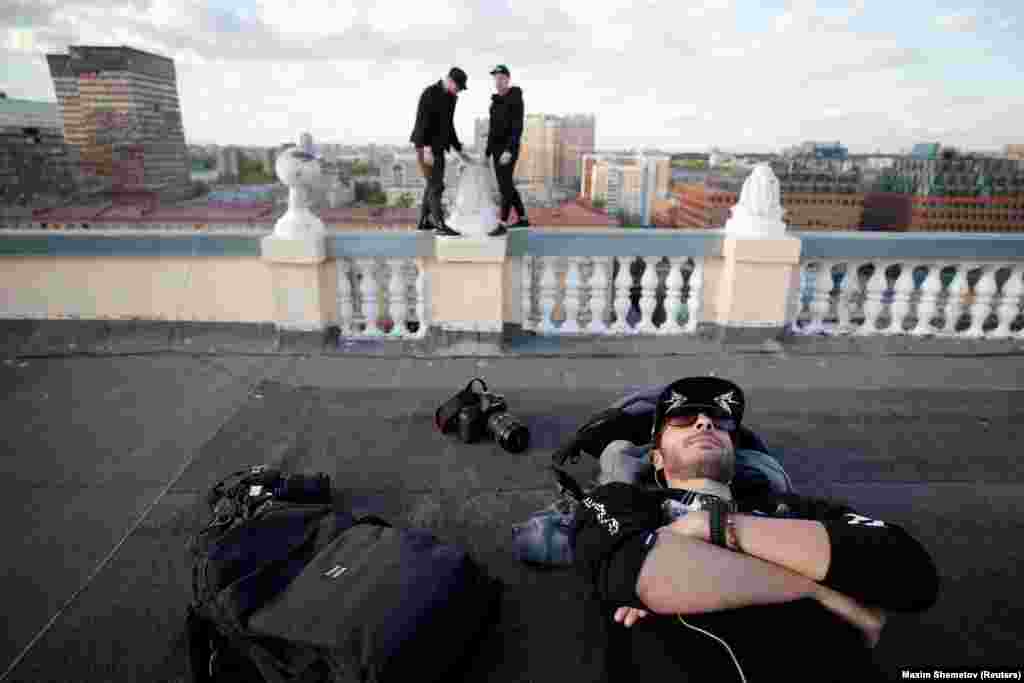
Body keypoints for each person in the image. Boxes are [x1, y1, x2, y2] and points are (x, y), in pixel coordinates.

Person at [574, 376, 940, 682]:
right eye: (684, 419)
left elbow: (909, 570)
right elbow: (639, 571)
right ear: (656, 457)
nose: (705, 423)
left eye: (721, 422)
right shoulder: (625, 503)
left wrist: (710, 526)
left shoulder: (796, 508)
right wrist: (818, 590)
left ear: (734, 453)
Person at [410, 67, 472, 236]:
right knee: (436, 185)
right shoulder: (430, 93)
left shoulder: (451, 99)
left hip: (438, 147)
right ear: (450, 81)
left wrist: (459, 150)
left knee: (433, 183)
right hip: (425, 146)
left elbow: (448, 126)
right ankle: (440, 225)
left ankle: (424, 221)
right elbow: (423, 121)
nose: (459, 91)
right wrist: (427, 149)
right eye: (458, 87)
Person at [484, 65, 529, 237]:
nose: (498, 80)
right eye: (495, 78)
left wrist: (509, 150)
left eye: (501, 77)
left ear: (508, 79)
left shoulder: (515, 97)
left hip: (508, 151)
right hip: (496, 150)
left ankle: (502, 223)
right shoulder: (494, 103)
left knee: (504, 187)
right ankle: (523, 218)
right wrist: (487, 153)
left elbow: (517, 126)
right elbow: (493, 130)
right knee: (508, 184)